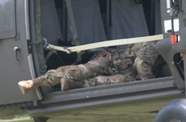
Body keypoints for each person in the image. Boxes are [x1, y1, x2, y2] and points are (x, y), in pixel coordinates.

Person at [17, 39, 158, 93]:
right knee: (82, 71)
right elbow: (141, 63)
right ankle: (35, 82)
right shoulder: (157, 44)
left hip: (122, 69)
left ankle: (70, 84)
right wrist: (150, 85)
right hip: (114, 61)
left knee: (102, 79)